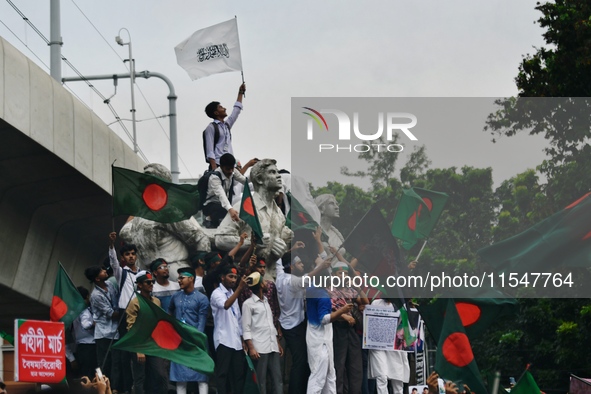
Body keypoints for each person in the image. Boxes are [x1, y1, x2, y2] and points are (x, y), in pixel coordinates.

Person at [216, 159, 293, 278]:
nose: (278, 176)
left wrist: (282, 248)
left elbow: (278, 246)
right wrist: (251, 243)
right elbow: (220, 239)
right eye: (272, 172)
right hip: (245, 277)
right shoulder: (244, 207)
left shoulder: (279, 213)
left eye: (277, 172)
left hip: (271, 277)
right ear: (259, 179)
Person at [169, 267, 210, 394]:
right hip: (179, 341)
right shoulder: (175, 297)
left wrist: (195, 340)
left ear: (191, 278)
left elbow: (201, 322)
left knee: (201, 376)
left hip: (196, 341)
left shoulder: (202, 298)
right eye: (178, 278)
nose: (179, 280)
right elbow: (169, 312)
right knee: (180, 377)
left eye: (182, 277)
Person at [306, 284, 353, 394]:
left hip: (319, 339)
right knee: (318, 377)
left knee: (330, 376)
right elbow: (324, 319)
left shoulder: (311, 290)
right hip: (321, 342)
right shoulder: (323, 296)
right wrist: (342, 311)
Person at [126, 272, 168, 394]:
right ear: (139, 285)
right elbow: (131, 327)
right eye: (148, 282)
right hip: (140, 343)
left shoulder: (156, 301)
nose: (151, 284)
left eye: (152, 282)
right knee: (140, 377)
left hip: (154, 343)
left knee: (160, 374)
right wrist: (139, 350)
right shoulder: (134, 303)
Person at [242, 272, 284, 394]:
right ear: (260, 285)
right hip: (259, 347)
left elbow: (271, 325)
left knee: (278, 379)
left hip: (272, 345)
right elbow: (246, 328)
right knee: (261, 380)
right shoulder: (248, 304)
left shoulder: (266, 301)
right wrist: (251, 348)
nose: (267, 284)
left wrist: (277, 343)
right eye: (264, 282)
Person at [210, 265, 248, 394]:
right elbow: (226, 305)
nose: (233, 280)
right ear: (222, 278)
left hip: (236, 341)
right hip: (224, 340)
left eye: (235, 277)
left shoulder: (233, 293)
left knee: (238, 375)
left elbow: (238, 318)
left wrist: (242, 339)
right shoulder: (217, 293)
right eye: (230, 276)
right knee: (222, 375)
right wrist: (240, 288)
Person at [84, 266, 121, 394]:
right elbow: (110, 313)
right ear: (97, 278)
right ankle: (101, 388)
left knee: (116, 362)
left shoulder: (110, 284)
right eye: (101, 271)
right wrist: (125, 311)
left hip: (115, 331)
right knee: (103, 363)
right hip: (103, 333)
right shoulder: (95, 295)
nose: (105, 271)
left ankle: (114, 388)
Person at [368, 298, 410, 394]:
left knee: (398, 378)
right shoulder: (376, 303)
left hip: (395, 346)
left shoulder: (402, 306)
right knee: (381, 376)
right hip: (378, 345)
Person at [203, 83, 246, 169]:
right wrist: (215, 170)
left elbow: (236, 111)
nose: (224, 108)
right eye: (220, 107)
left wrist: (240, 93)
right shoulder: (211, 127)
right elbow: (210, 150)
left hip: (231, 166)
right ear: (216, 113)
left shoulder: (226, 126)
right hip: (219, 165)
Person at [203, 153, 247, 227]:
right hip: (211, 205)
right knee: (225, 210)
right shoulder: (214, 178)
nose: (230, 171)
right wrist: (230, 209)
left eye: (232, 168)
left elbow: (244, 180)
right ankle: (209, 219)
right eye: (227, 169)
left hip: (223, 205)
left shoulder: (233, 171)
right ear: (221, 167)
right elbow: (221, 195)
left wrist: (256, 177)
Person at [72, 286, 97, 380]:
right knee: (90, 374)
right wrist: (93, 323)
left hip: (81, 346)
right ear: (86, 297)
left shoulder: (74, 311)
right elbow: (85, 325)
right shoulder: (84, 310)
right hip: (89, 346)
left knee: (84, 374)